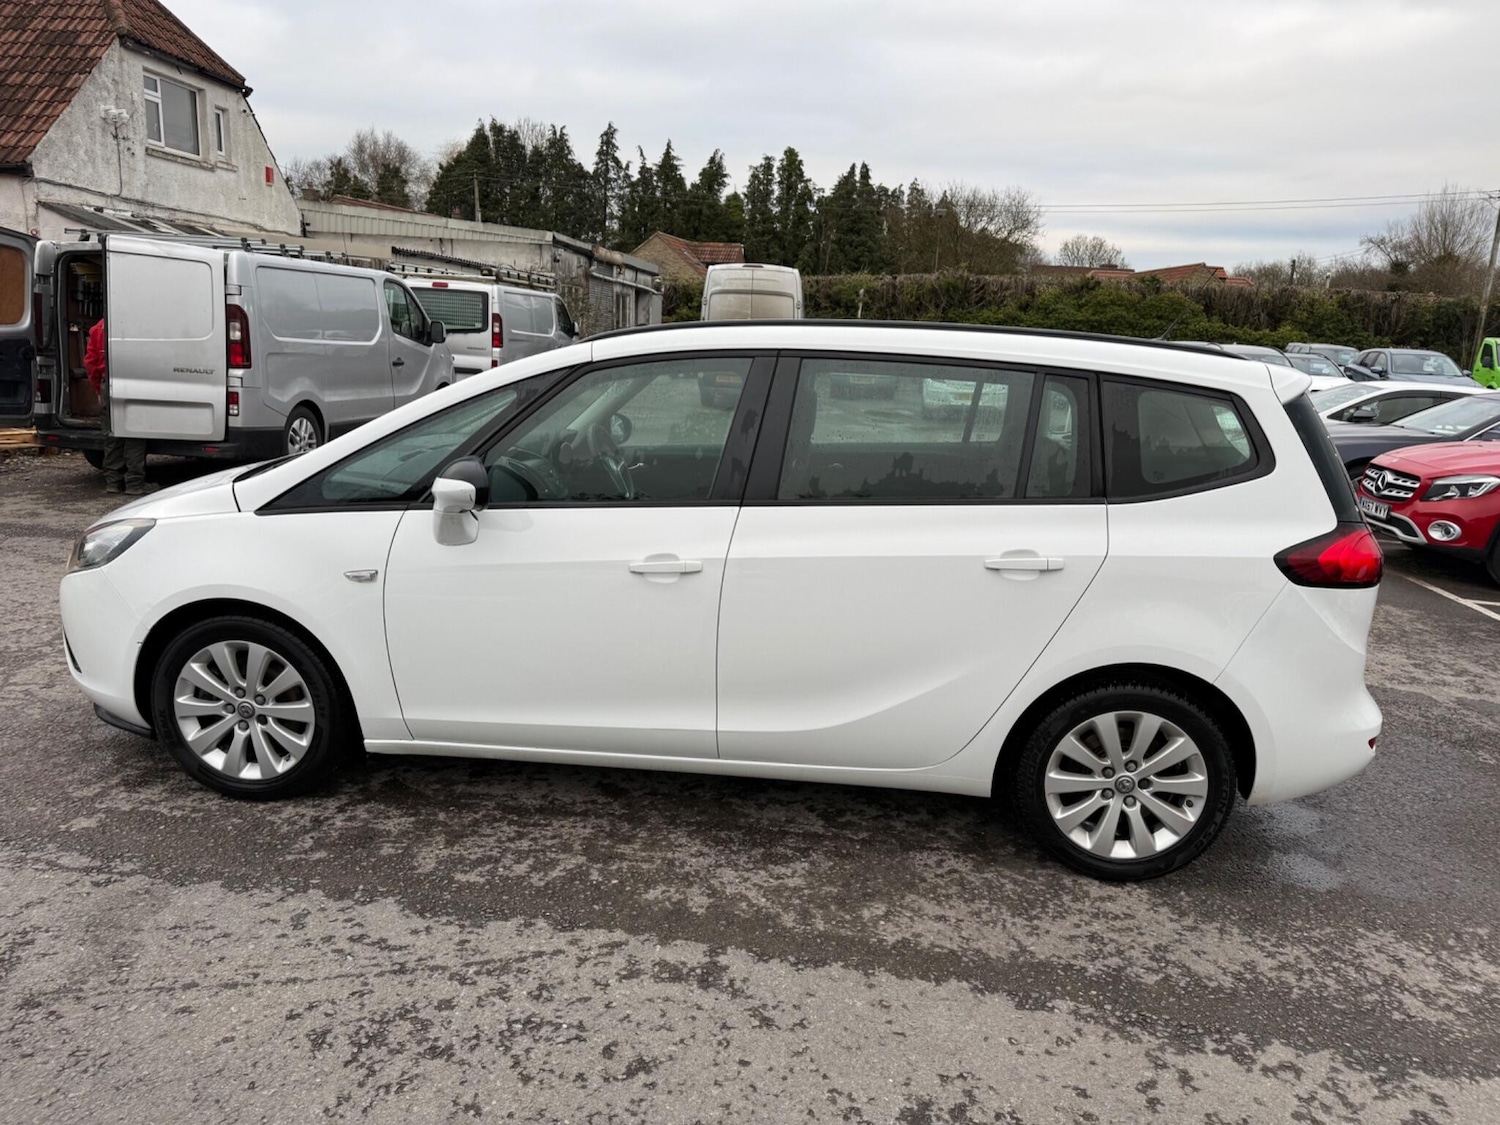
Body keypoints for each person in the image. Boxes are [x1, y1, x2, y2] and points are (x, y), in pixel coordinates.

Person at [84, 320, 155, 495]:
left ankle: (113, 482)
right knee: (134, 433)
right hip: (133, 381)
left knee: (112, 434)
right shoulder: (136, 326)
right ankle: (134, 483)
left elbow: (91, 363)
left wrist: (98, 388)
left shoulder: (97, 329)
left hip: (107, 383)